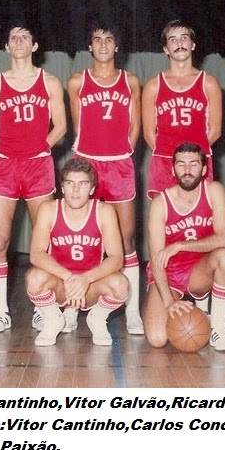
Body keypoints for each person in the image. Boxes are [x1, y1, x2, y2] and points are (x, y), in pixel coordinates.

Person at [0, 20, 67, 332]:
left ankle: (44, 307)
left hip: (38, 165)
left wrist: (39, 147)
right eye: (13, 38)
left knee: (43, 239)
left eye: (25, 37)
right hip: (5, 165)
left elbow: (61, 126)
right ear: (6, 47)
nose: (19, 42)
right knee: (0, 239)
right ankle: (1, 310)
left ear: (34, 45)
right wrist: (6, 147)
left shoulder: (50, 82)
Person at [67, 20, 144, 335]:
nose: (102, 45)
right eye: (97, 39)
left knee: (126, 239)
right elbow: (78, 126)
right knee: (80, 237)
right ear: (90, 46)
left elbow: (135, 126)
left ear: (117, 46)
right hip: (87, 164)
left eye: (108, 39)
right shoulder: (77, 81)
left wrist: (123, 153)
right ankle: (71, 307)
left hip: (119, 166)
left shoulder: (130, 81)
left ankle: (133, 311)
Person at [144, 142, 225, 351]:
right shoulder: (160, 203)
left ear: (204, 169)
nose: (187, 170)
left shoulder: (213, 190)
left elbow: (223, 239)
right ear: (172, 169)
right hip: (169, 272)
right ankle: (196, 304)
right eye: (181, 164)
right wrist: (169, 302)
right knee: (157, 338)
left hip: (200, 270)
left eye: (193, 164)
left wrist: (180, 245)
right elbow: (157, 260)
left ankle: (218, 328)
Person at [25, 157, 128, 346]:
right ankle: (54, 318)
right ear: (62, 187)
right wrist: (68, 277)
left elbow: (116, 258)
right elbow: (36, 253)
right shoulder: (48, 209)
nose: (75, 190)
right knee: (34, 278)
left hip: (90, 286)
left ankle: (97, 318)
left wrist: (86, 279)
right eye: (70, 183)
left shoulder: (104, 211)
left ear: (92, 189)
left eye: (82, 184)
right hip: (61, 284)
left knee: (120, 284)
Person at [142, 19, 222, 197]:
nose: (179, 43)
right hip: (164, 161)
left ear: (193, 45)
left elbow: (215, 131)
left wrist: (192, 158)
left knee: (200, 212)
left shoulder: (208, 83)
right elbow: (149, 134)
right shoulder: (153, 85)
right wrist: (172, 158)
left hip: (197, 162)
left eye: (184, 38)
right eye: (173, 39)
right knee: (162, 212)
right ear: (165, 49)